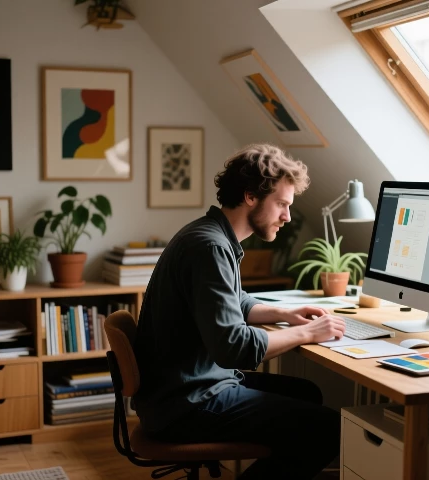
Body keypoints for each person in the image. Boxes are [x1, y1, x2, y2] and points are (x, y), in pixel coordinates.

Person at [133, 143, 345, 479]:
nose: (287, 216)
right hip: (186, 404)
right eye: (281, 204)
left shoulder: (209, 234)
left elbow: (234, 301)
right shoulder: (211, 247)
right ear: (250, 196)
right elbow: (233, 347)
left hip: (179, 391)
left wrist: (285, 315)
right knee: (329, 429)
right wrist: (306, 332)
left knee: (307, 393)